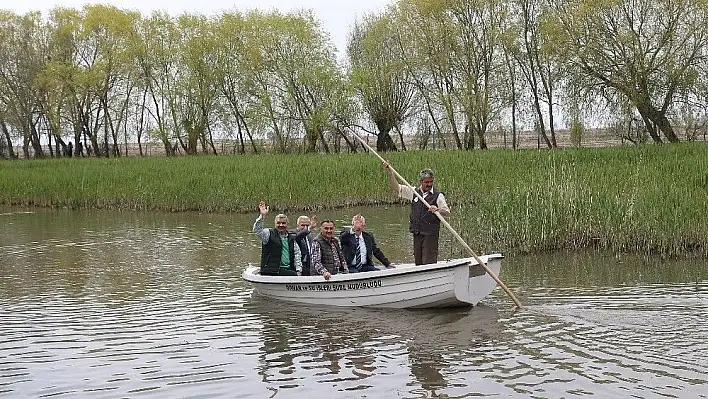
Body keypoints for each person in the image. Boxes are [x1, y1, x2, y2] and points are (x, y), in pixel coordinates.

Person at [383, 164, 451, 265]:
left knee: (428, 262)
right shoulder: (414, 192)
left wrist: (438, 210)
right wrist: (390, 173)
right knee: (418, 262)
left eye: (431, 182)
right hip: (417, 233)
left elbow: (447, 212)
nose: (429, 184)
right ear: (421, 181)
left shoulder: (438, 196)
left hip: (430, 235)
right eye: (426, 182)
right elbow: (396, 187)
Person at [252, 201, 302, 276]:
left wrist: (299, 270)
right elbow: (257, 230)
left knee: (305, 272)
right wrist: (262, 216)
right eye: (278, 223)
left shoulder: (291, 237)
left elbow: (297, 254)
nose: (281, 225)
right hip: (272, 270)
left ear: (287, 224)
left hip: (288, 268)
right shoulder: (268, 234)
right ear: (275, 224)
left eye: (283, 223)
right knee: (293, 275)